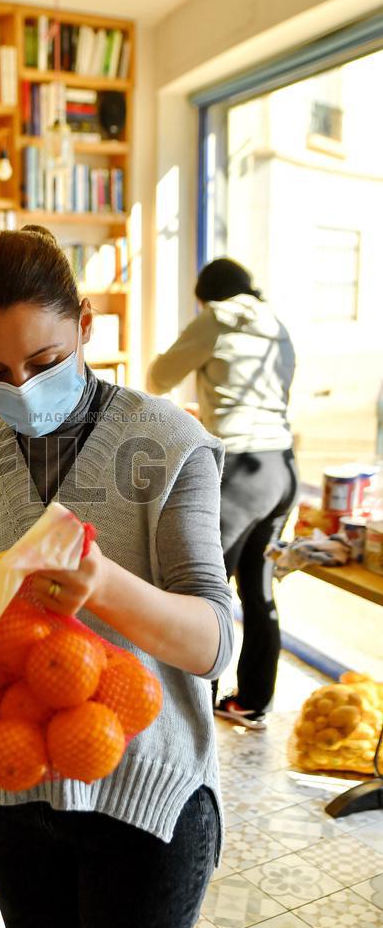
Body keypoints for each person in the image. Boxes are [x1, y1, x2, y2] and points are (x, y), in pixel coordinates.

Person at [0, 225, 234, 928]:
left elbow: (217, 644)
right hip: (15, 787)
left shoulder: (167, 445)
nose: (22, 387)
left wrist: (103, 584)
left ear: (86, 327)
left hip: (148, 797)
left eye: (45, 362)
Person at [148, 257, 298, 729]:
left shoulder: (216, 318)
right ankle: (252, 701)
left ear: (207, 297)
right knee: (258, 589)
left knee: (204, 590)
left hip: (241, 470)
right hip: (282, 467)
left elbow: (159, 377)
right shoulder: (276, 325)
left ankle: (195, 711)